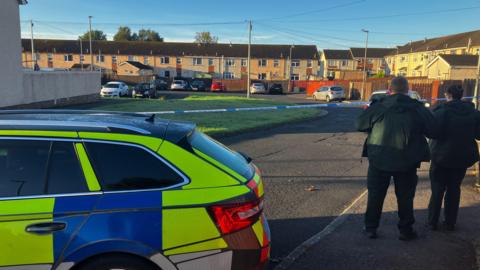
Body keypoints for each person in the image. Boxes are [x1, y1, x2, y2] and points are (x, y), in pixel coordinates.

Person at [356, 76, 438, 241]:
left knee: (375, 195)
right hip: (408, 161)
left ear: (390, 89)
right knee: (406, 197)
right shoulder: (418, 108)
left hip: (379, 160)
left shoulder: (379, 106)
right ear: (407, 90)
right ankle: (405, 230)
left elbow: (360, 124)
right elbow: (434, 131)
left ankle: (371, 228)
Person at [428, 85, 480, 231]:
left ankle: (432, 221)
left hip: (441, 156)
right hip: (462, 158)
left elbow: (432, 132)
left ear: (447, 94)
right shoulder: (473, 113)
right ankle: (450, 222)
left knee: (437, 189)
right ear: (462, 95)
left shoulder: (441, 111)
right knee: (454, 189)